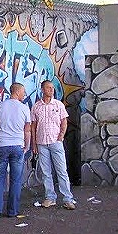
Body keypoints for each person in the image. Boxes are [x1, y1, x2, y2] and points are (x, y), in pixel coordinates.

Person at [0, 83, 31, 217]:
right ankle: (12, 211)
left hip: (2, 146)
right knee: (16, 179)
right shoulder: (24, 108)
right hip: (17, 146)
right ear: (17, 92)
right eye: (23, 92)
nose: (24, 94)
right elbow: (27, 130)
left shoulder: (0, 106)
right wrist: (27, 145)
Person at [31, 80, 75, 210]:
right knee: (46, 172)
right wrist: (34, 144)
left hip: (56, 142)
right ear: (42, 89)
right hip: (41, 142)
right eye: (48, 88)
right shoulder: (36, 106)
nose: (51, 90)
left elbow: (64, 122)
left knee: (62, 171)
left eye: (52, 88)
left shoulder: (59, 105)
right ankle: (50, 198)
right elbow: (33, 126)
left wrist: (61, 136)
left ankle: (68, 198)